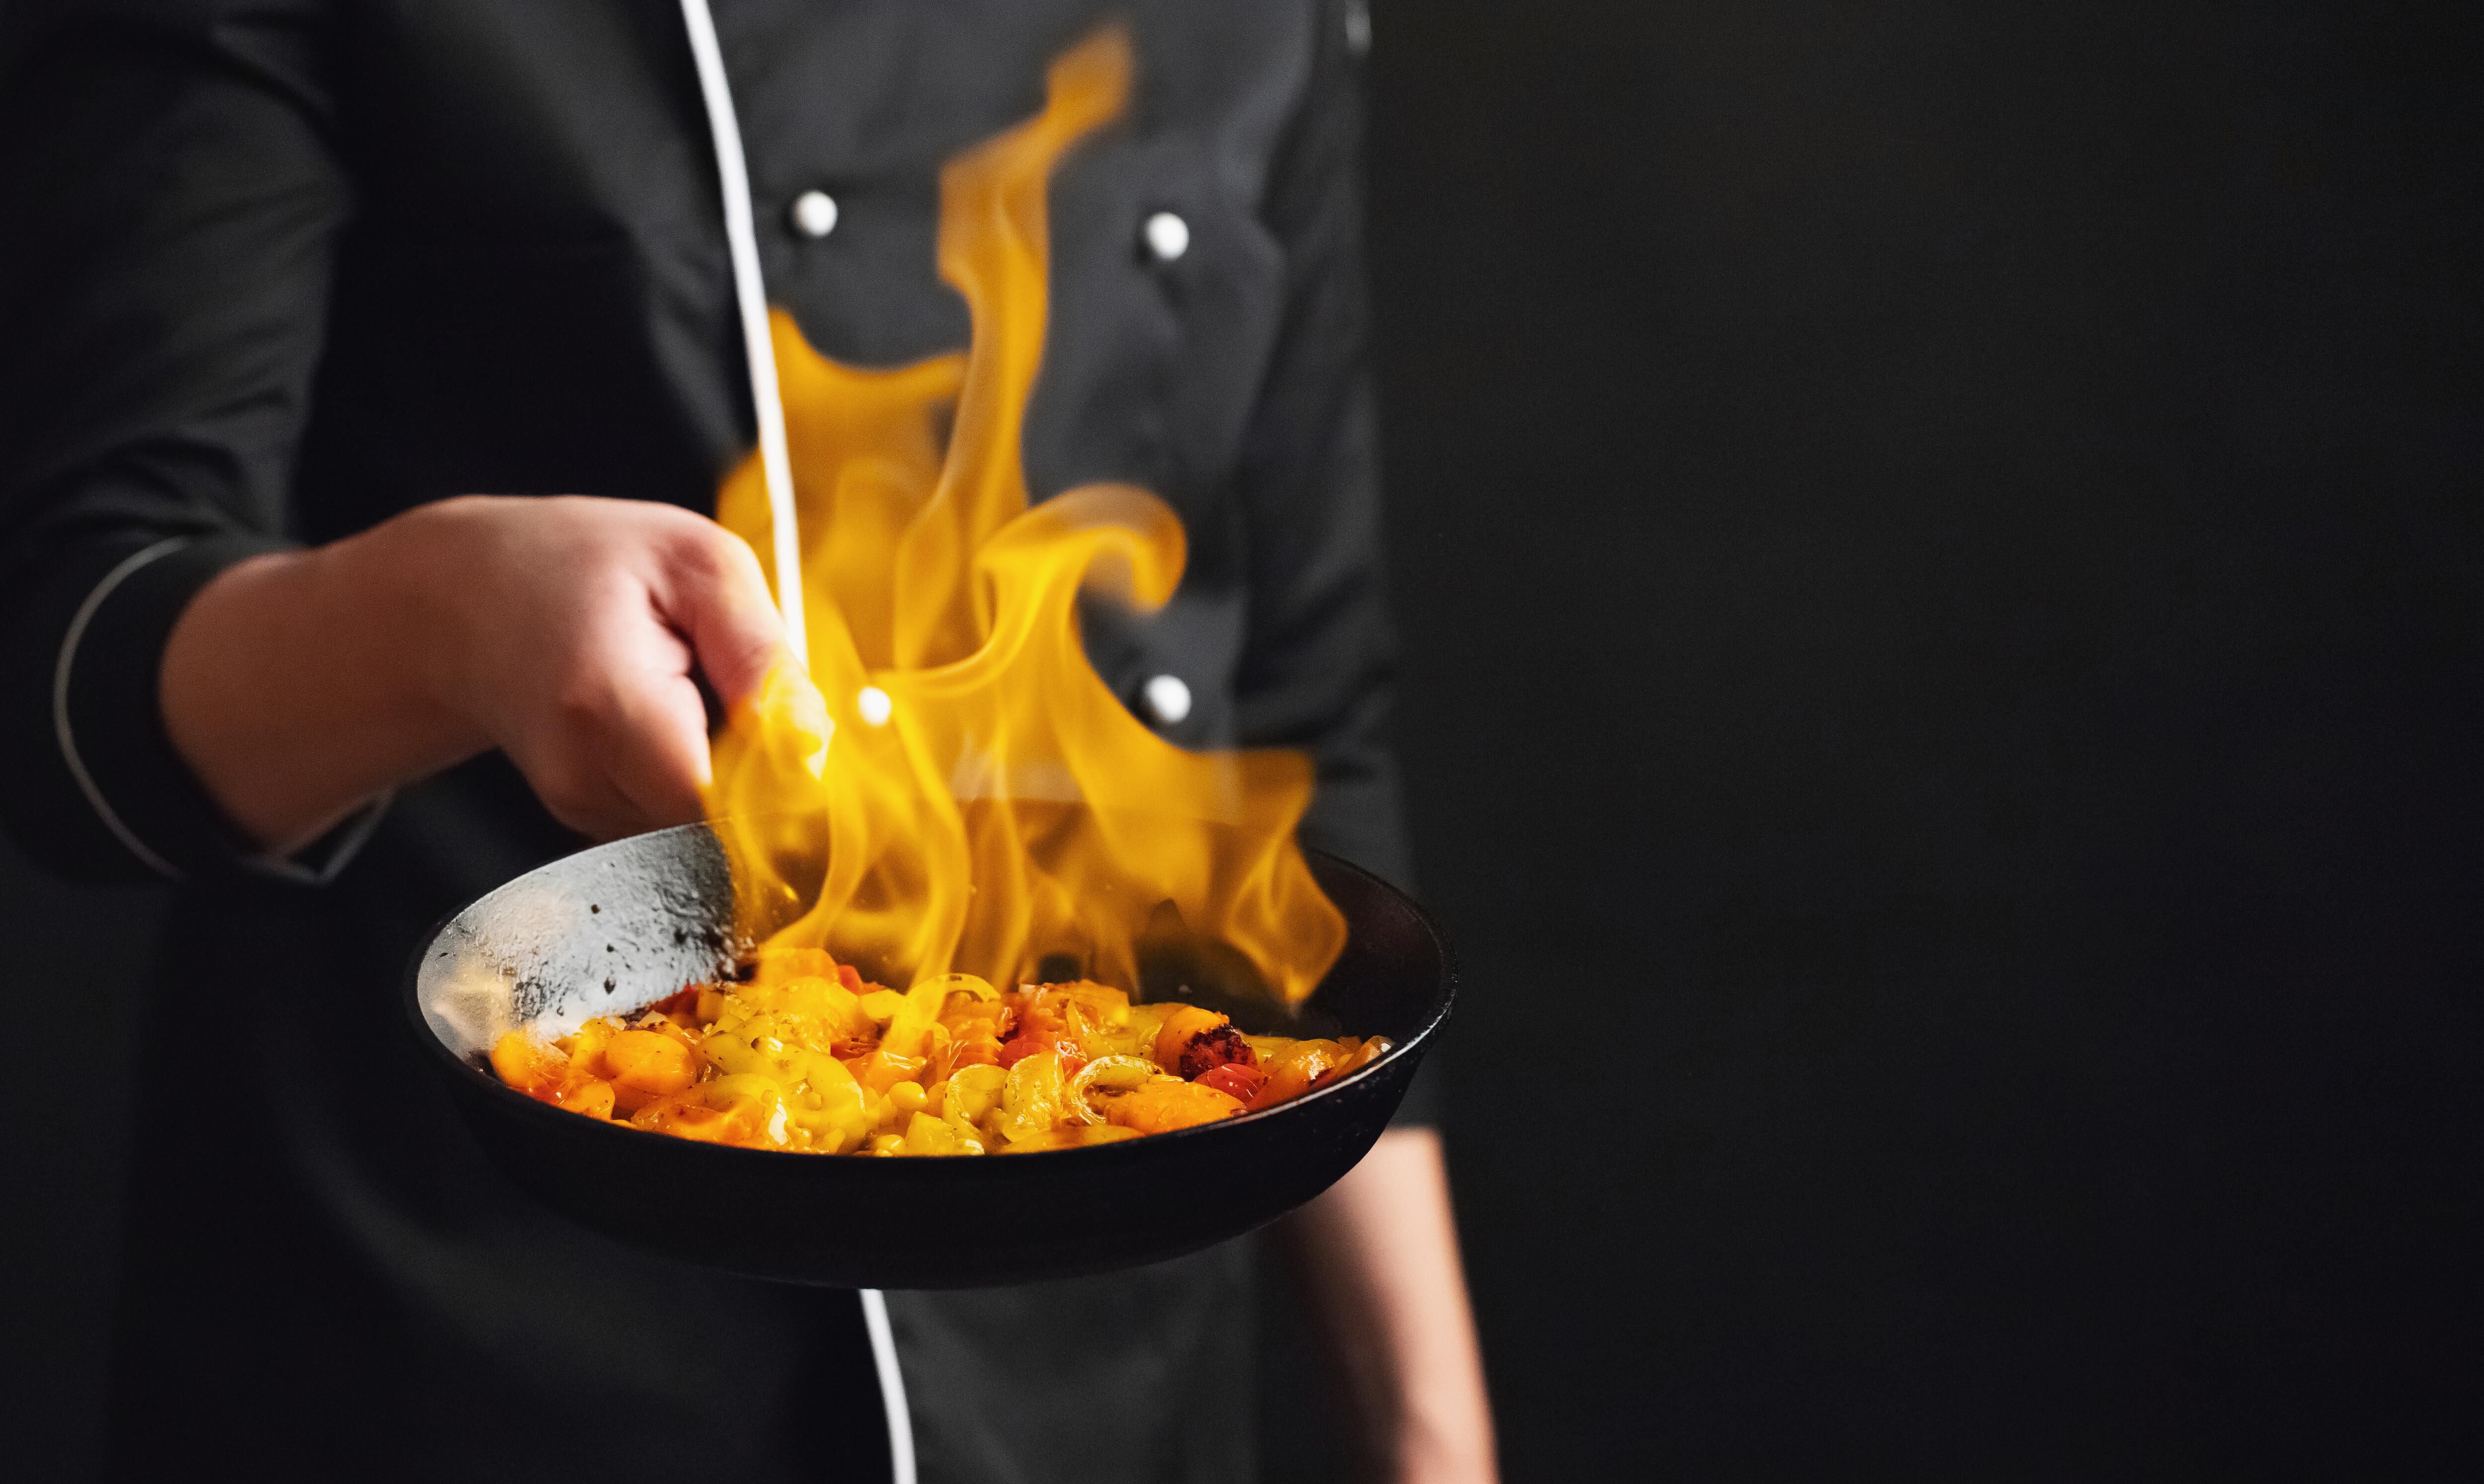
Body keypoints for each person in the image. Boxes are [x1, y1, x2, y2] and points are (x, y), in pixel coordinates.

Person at [0, 1, 1494, 1480]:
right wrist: (436, 620)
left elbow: (1305, 731)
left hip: (1100, 1358)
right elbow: (69, 667)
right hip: (481, 1336)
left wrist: (1432, 1442)